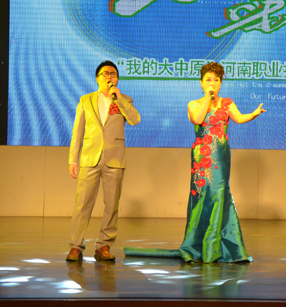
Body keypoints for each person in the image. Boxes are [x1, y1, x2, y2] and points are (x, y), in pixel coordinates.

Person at [124, 62, 265, 263]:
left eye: (216, 80)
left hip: (221, 154)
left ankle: (217, 245)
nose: (212, 83)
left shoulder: (227, 103)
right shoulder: (194, 104)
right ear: (201, 83)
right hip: (202, 157)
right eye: (208, 80)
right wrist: (208, 98)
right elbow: (198, 120)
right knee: (202, 195)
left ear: (221, 83)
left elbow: (239, 118)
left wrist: (253, 114)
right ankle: (200, 244)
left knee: (219, 193)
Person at [66, 60, 141, 262]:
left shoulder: (124, 99)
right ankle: (75, 246)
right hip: (90, 158)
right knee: (82, 204)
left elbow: (135, 120)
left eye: (113, 74)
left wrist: (120, 100)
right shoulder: (85, 100)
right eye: (106, 74)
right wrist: (73, 160)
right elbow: (77, 132)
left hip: (114, 159)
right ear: (97, 78)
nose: (110, 77)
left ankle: (104, 245)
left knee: (111, 205)